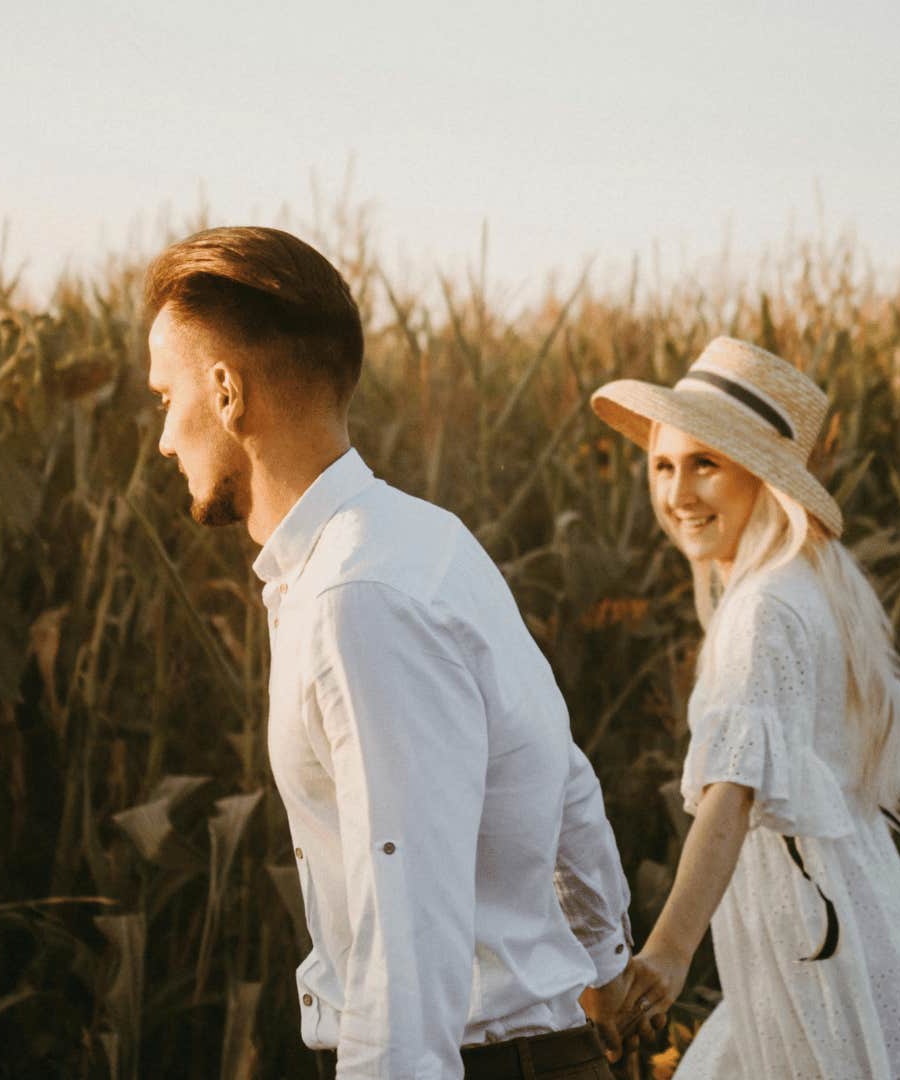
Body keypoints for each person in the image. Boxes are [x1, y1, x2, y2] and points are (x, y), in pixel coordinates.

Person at [143, 226, 637, 1079]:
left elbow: (401, 927)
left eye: (163, 399)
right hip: (531, 1053)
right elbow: (567, 779)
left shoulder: (356, 598)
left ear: (226, 392)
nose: (162, 441)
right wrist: (603, 968)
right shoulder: (422, 541)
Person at [590, 337, 900, 1077]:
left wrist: (666, 953)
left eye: (706, 464)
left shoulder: (762, 608)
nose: (678, 494)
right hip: (847, 930)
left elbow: (732, 794)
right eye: (664, 465)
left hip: (814, 951)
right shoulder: (811, 582)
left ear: (760, 475)